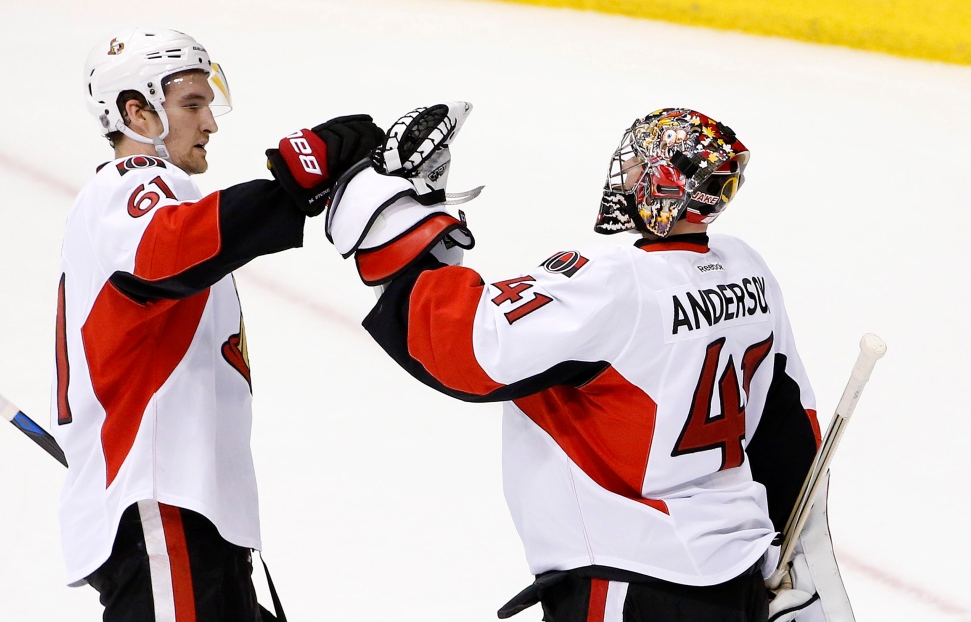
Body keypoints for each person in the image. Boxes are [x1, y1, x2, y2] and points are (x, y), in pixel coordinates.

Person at [325, 104, 851, 621]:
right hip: (737, 581)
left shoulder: (616, 284)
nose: (625, 174)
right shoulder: (749, 271)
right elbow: (789, 429)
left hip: (632, 580)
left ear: (664, 186)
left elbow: (465, 347)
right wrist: (798, 562)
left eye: (639, 165)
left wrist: (395, 213)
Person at [49, 28, 382, 621]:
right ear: (137, 112)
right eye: (191, 105)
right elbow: (165, 250)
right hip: (160, 502)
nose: (210, 124)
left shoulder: (159, 199)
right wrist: (292, 185)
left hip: (190, 514)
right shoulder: (131, 186)